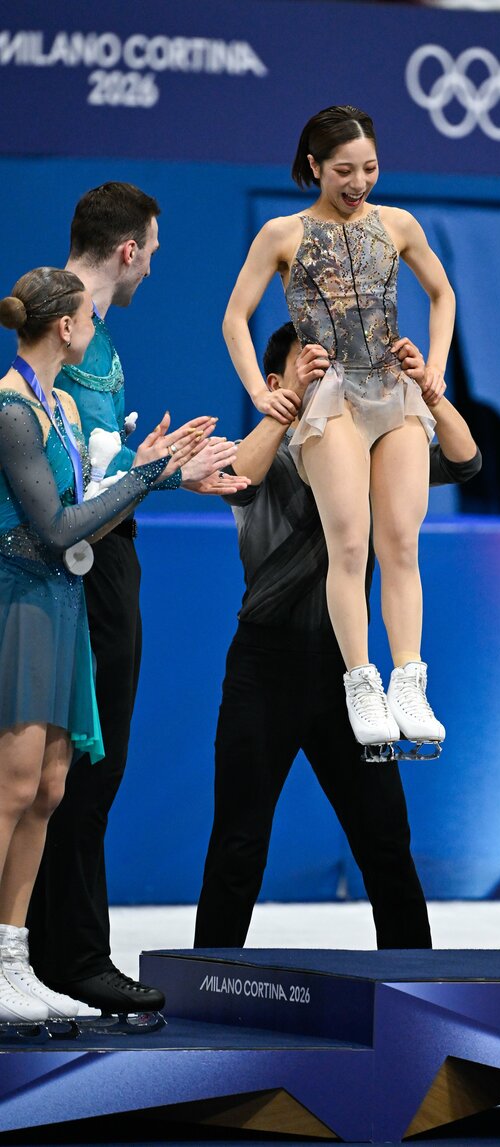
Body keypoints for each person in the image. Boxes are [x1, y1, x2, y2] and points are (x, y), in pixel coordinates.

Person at [26, 183, 246, 1017]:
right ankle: (71, 956)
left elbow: (99, 458)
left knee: (78, 770)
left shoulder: (95, 333)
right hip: (84, 569)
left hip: (104, 554)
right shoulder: (70, 328)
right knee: (79, 767)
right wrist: (154, 471)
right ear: (127, 250)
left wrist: (167, 470)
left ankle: (51, 951)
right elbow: (68, 470)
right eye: (151, 247)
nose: (156, 260)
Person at [194, 322, 481, 949]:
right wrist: (288, 404)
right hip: (262, 672)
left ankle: (415, 986)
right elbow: (237, 477)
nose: (332, 372)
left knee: (386, 842)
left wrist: (426, 390)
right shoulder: (263, 452)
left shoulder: (375, 459)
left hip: (349, 680)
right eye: (314, 361)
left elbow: (464, 461)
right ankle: (207, 984)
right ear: (275, 381)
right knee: (239, 840)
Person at [0, 267, 207, 1024]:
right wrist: (146, 475)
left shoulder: (55, 403)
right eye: (87, 317)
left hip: (61, 605)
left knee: (51, 787)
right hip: (19, 605)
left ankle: (12, 960)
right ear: (64, 327)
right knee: (13, 789)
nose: (95, 325)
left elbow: (86, 500)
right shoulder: (13, 408)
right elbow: (55, 528)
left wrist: (145, 467)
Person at [223, 106, 456, 750]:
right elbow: (235, 319)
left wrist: (432, 369)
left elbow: (443, 294)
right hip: (331, 400)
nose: (360, 183)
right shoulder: (282, 233)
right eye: (345, 171)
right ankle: (361, 679)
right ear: (314, 168)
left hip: (394, 391)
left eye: (371, 168)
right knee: (350, 545)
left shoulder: (398, 225)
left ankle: (409, 677)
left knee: (401, 545)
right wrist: (261, 396)